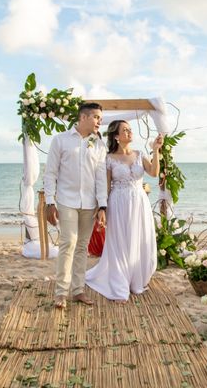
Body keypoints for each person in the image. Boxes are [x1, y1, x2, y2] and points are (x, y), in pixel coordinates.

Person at [85, 120, 163, 303]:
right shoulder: (109, 158)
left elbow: (153, 172)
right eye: (125, 130)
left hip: (139, 202)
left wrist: (156, 150)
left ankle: (136, 279)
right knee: (120, 242)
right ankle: (120, 284)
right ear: (116, 136)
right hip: (118, 202)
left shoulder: (139, 154)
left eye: (130, 130)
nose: (129, 132)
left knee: (138, 238)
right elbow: (105, 186)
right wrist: (101, 209)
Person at [43, 102, 107, 309]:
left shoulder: (99, 144)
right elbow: (50, 173)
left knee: (82, 247)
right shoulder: (60, 140)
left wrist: (102, 206)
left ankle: (78, 290)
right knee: (68, 243)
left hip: (89, 203)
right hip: (66, 200)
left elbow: (100, 177)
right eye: (96, 117)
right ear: (84, 117)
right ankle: (61, 293)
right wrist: (49, 202)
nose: (100, 121)